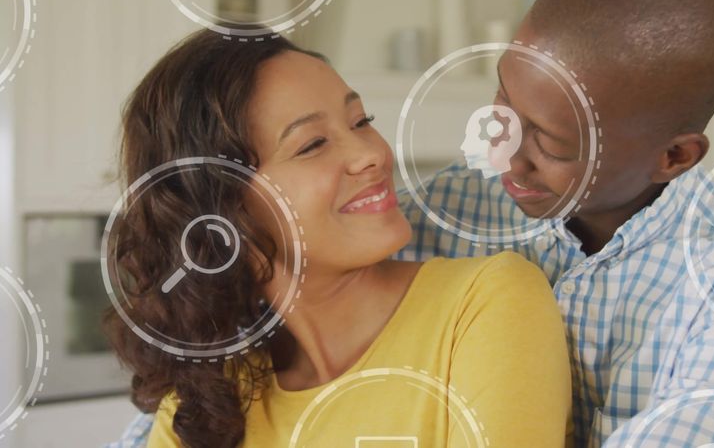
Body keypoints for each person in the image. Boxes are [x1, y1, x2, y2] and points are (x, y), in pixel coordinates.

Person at [114, 0, 714, 447]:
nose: (504, 149)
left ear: (673, 158)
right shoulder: (449, 209)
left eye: (550, 140)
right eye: (503, 101)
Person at [105, 30, 572, 448]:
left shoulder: (486, 303)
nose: (371, 154)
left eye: (360, 120)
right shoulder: (206, 400)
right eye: (312, 145)